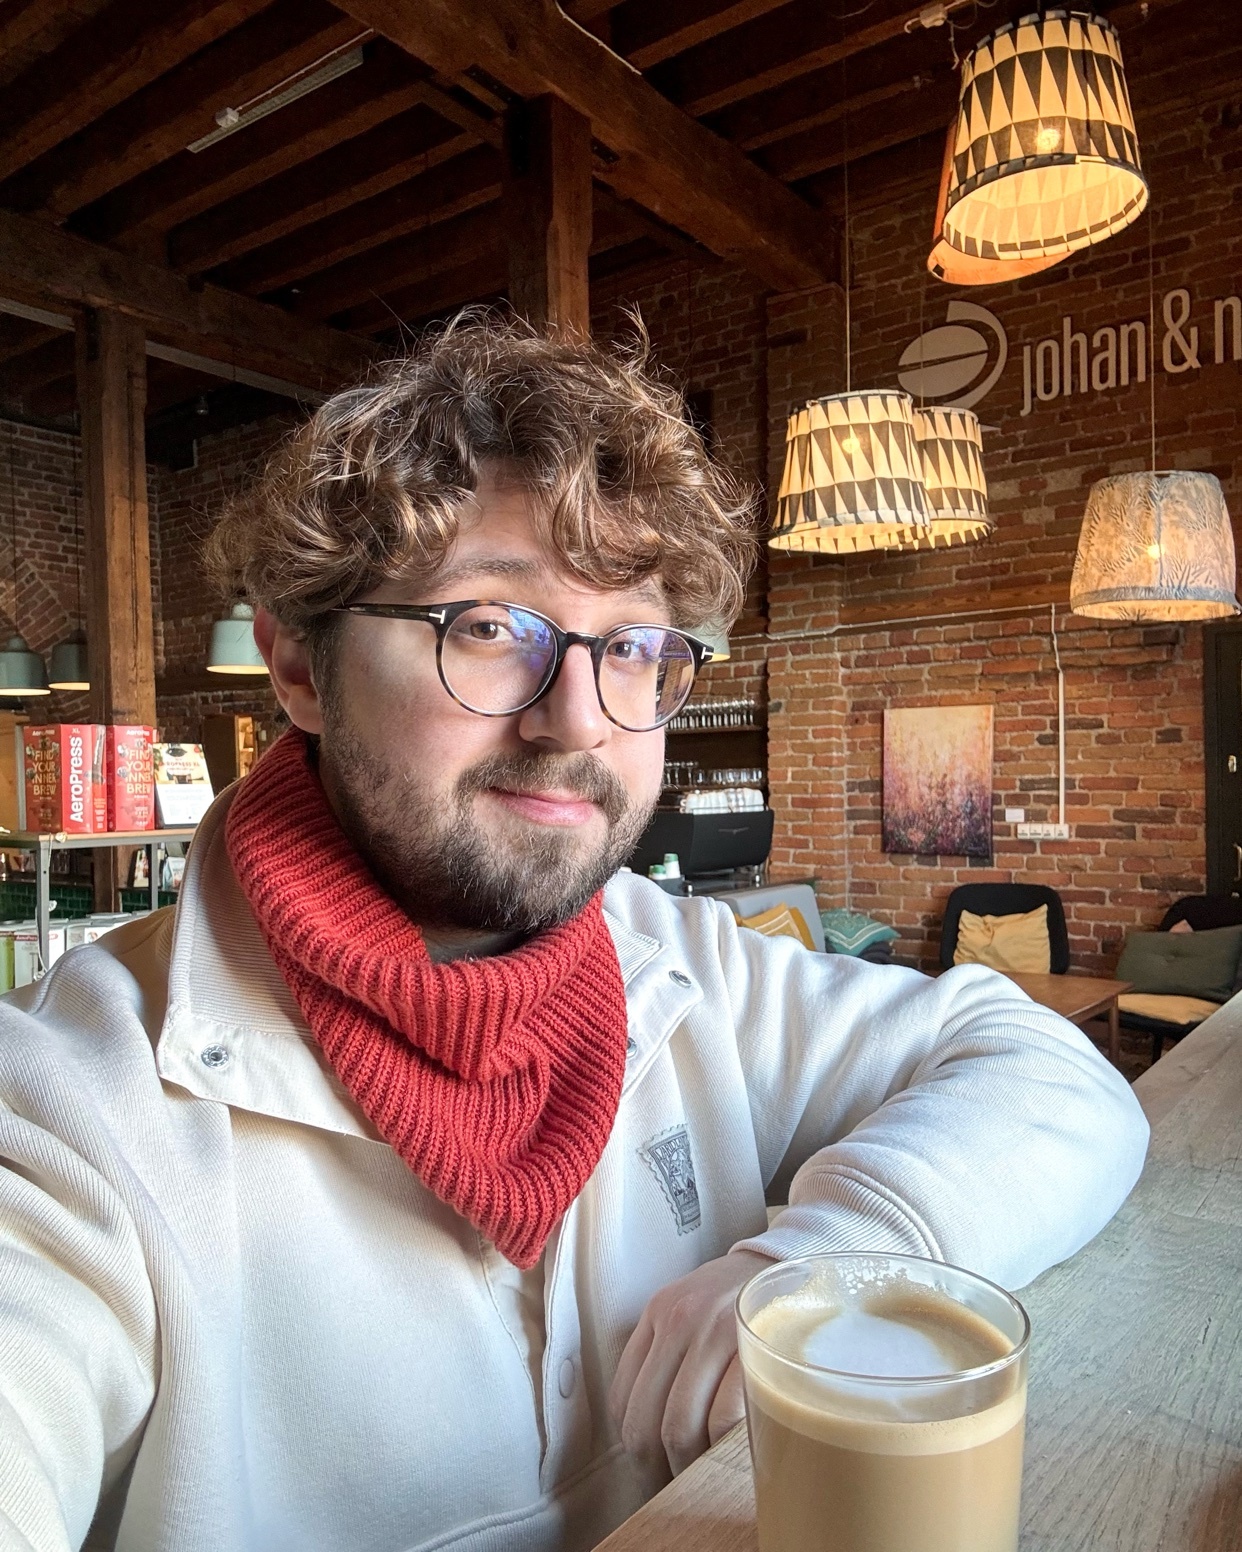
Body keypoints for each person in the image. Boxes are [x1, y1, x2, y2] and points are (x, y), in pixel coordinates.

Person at [0, 319, 1147, 1552]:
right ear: (295, 664)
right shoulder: (72, 1107)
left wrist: (836, 1256)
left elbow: (1047, 1074)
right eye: (488, 624)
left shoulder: (676, 957)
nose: (576, 720)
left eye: (635, 648)